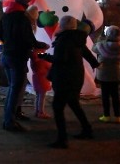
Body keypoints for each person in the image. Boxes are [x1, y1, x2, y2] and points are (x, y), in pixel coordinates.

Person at [38, 15, 99, 149]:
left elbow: (60, 59)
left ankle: (62, 138)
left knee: (58, 107)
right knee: (73, 103)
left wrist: (44, 56)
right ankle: (87, 129)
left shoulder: (64, 39)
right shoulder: (77, 38)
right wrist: (95, 63)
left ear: (63, 25)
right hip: (76, 76)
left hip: (64, 77)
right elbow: (86, 53)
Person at [0, 0, 37, 131]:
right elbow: (27, 37)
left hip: (7, 54)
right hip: (18, 56)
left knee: (13, 87)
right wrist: (37, 45)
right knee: (17, 88)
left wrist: (9, 43)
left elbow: (0, 34)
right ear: (26, 1)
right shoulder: (22, 17)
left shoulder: (6, 15)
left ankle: (10, 115)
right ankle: (9, 121)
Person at [93, 25, 120, 123]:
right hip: (116, 72)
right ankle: (118, 116)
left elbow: (94, 48)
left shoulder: (101, 45)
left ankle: (106, 115)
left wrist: (100, 38)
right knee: (115, 95)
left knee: (105, 95)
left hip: (103, 72)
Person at [31, 40, 52, 118]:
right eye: (44, 50)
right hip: (43, 78)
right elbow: (49, 66)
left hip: (36, 77)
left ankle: (37, 111)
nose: (45, 51)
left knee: (38, 95)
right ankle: (41, 112)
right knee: (42, 96)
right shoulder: (42, 60)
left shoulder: (34, 58)